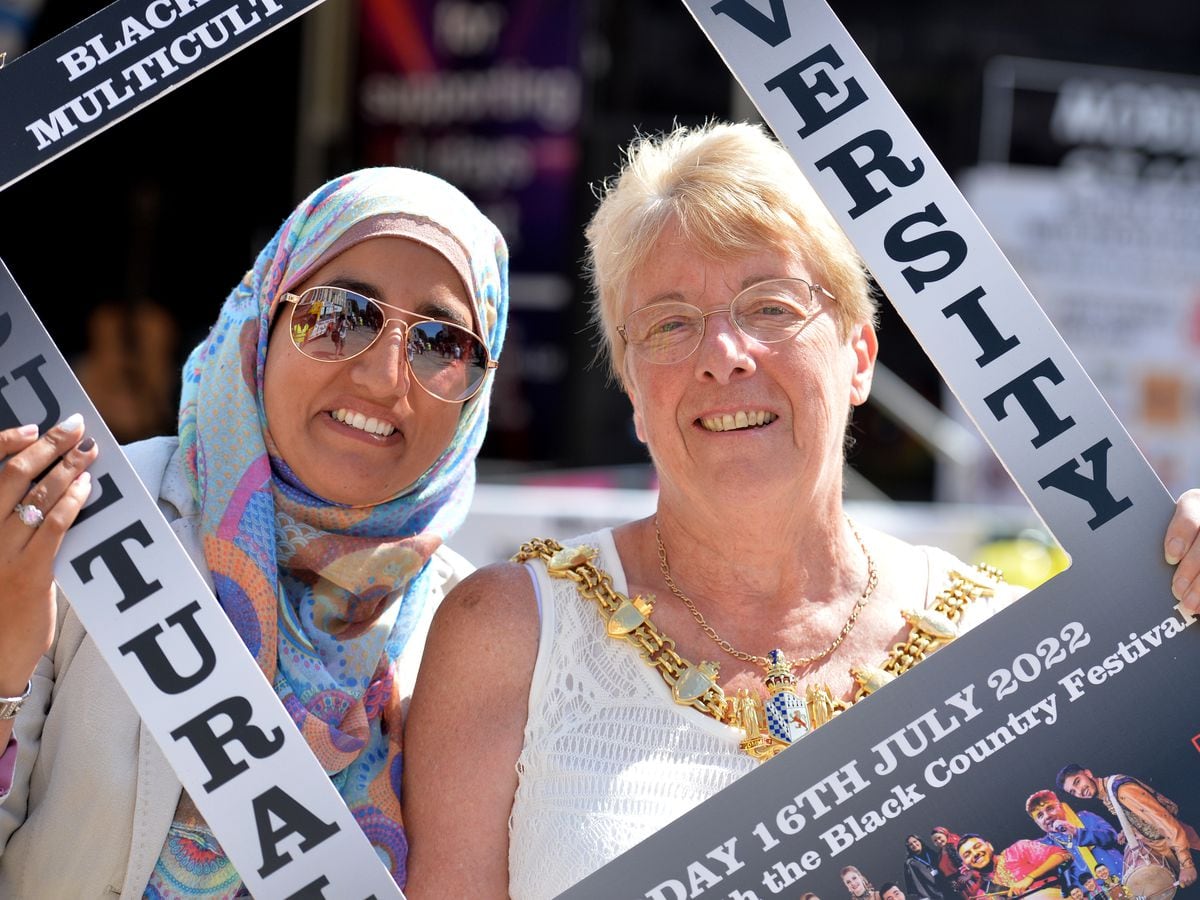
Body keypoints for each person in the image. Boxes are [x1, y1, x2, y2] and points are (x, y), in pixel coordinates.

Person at [401, 121, 1200, 899]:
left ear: (859, 355)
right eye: (671, 324)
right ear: (634, 394)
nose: (724, 355)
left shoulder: (1004, 642)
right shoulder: (510, 633)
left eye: (771, 307)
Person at [0, 167, 507, 896]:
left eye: (441, 343)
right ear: (266, 317)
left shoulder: (474, 629)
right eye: (339, 314)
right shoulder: (93, 515)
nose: (384, 376)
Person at [1058, 764, 1200, 888]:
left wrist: (1187, 865)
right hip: (1171, 852)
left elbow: (1166, 822)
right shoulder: (1108, 792)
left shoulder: (1121, 790)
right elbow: (1140, 815)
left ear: (1088, 774)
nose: (1079, 791)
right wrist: (1129, 829)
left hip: (1186, 850)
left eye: (1078, 782)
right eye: (1073, 792)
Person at [1027, 789, 1125, 890]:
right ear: (1037, 823)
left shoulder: (1085, 817)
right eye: (1040, 815)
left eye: (1050, 808)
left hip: (1121, 877)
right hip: (1090, 894)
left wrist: (1076, 832)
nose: (1047, 816)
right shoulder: (1044, 845)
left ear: (1060, 806)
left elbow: (1111, 837)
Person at [958, 832, 1071, 900]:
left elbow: (1063, 854)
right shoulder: (982, 895)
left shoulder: (1018, 850)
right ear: (965, 865)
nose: (975, 853)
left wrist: (1029, 878)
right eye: (967, 854)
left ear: (989, 846)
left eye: (977, 846)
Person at [905, 833, 957, 900]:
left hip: (948, 889)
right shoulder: (911, 863)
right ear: (908, 848)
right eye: (910, 845)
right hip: (933, 895)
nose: (914, 845)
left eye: (915, 841)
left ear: (919, 841)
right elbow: (916, 884)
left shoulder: (930, 852)